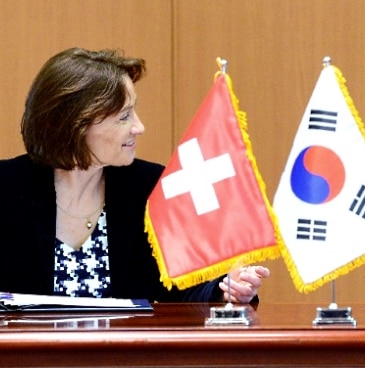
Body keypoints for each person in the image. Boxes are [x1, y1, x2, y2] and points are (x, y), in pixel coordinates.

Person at [0, 47, 269, 303]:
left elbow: (186, 287)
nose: (139, 127)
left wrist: (226, 289)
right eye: (124, 116)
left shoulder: (149, 187)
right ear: (75, 125)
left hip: (124, 351)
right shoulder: (6, 186)